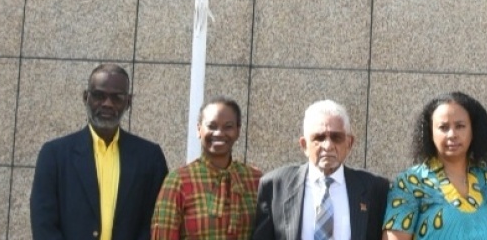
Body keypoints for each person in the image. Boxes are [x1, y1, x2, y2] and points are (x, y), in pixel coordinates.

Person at [31, 63, 169, 240]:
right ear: (85, 97)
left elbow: (156, 222)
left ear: (128, 102)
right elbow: (44, 225)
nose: (107, 104)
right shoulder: (54, 155)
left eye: (117, 97)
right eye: (99, 95)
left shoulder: (150, 157)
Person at [252, 99, 389, 240]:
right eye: (319, 137)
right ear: (304, 145)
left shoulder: (375, 188)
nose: (328, 145)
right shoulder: (275, 186)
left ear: (349, 143)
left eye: (336, 137)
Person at [382, 91, 487, 240]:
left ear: (474, 131)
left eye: (460, 126)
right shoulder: (410, 182)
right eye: (443, 127)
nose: (452, 134)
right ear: (430, 133)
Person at [150, 96, 261, 239]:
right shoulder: (178, 182)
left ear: (238, 130)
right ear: (199, 129)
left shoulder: (254, 180)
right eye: (212, 126)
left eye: (228, 126)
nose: (219, 133)